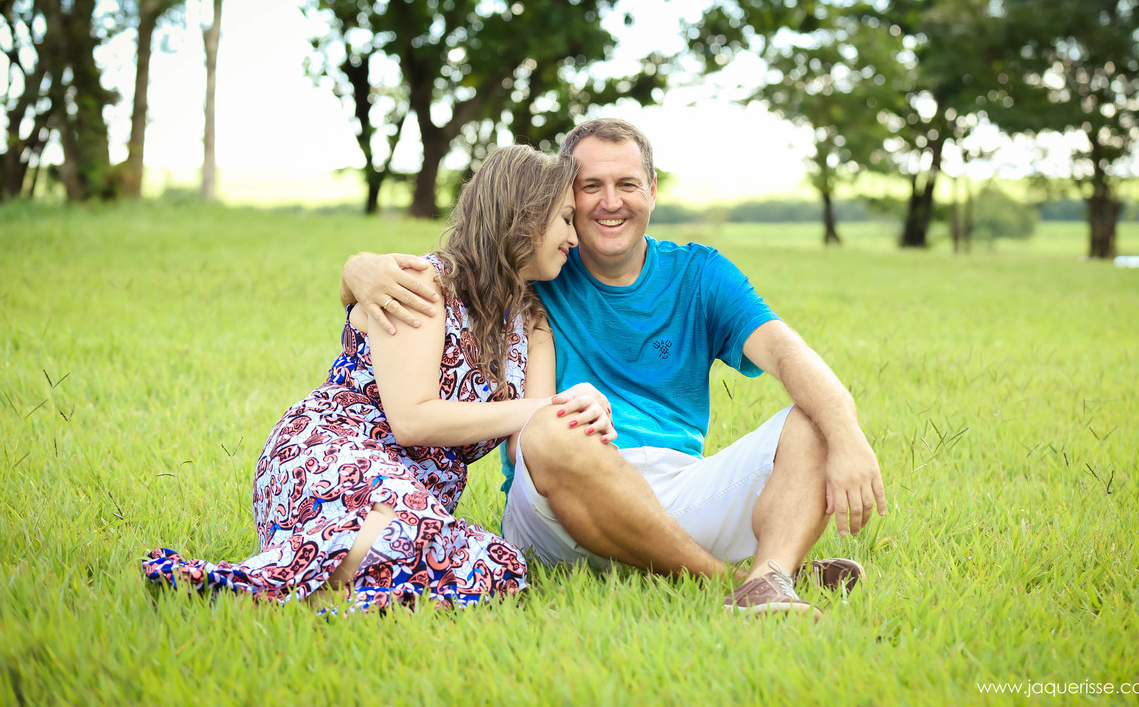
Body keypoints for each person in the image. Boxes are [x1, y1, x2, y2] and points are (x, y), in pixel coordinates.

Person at [342, 119, 887, 619]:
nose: (610, 202)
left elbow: (788, 353)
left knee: (816, 416)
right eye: (590, 187)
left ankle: (769, 581)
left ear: (651, 190)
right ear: (560, 199)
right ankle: (724, 580)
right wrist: (359, 270)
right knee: (551, 430)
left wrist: (847, 434)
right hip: (557, 502)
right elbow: (459, 273)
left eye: (627, 184)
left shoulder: (699, 275)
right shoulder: (540, 272)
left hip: (678, 490)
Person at [143, 145, 617, 613]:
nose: (574, 237)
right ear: (524, 216)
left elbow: (521, 445)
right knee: (404, 532)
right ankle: (246, 589)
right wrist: (543, 407)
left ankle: (303, 600)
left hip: (415, 494)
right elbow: (412, 420)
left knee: (498, 565)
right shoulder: (421, 285)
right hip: (331, 452)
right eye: (565, 219)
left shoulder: (533, 325)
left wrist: (577, 414)